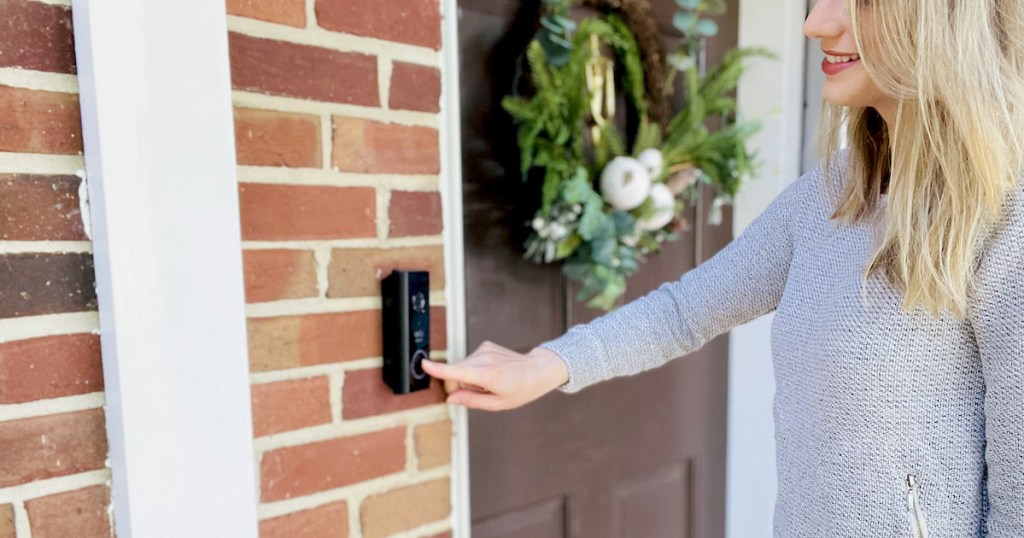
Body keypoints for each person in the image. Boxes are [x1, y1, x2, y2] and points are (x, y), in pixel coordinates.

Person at [423, 0, 1024, 535]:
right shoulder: (829, 197)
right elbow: (685, 312)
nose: (815, 23)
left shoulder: (1006, 216)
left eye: (861, 1)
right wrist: (547, 364)